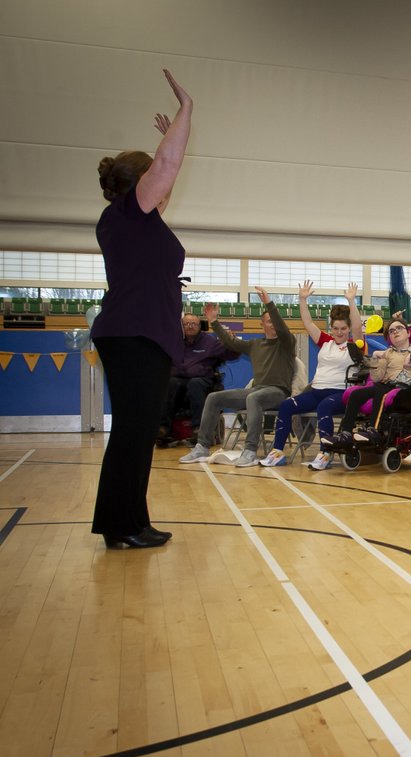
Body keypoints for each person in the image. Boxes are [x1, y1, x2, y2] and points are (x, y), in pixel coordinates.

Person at [89, 69, 192, 550]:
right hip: (136, 337)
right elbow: (167, 170)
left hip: (134, 335)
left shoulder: (129, 222)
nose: (164, 182)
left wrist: (168, 142)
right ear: (140, 185)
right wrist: (185, 113)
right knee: (133, 433)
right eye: (153, 176)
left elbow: (165, 172)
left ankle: (130, 521)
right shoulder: (130, 214)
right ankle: (122, 525)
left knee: (135, 431)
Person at [178, 288, 297, 466]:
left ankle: (250, 451)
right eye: (268, 322)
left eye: (275, 322)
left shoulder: (287, 343)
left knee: (253, 397)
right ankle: (202, 446)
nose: (272, 325)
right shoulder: (255, 344)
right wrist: (214, 322)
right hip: (256, 390)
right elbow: (230, 343)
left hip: (278, 392)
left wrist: (269, 304)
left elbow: (282, 328)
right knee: (213, 397)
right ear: (261, 325)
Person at [259, 281, 363, 469]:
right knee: (286, 405)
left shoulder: (355, 345)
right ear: (331, 328)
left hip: (340, 394)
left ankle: (325, 454)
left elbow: (357, 326)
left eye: (343, 329)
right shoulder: (325, 342)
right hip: (317, 391)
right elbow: (307, 323)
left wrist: (351, 301)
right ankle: (277, 452)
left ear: (348, 330)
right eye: (335, 328)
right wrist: (302, 299)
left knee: (324, 407)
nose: (339, 332)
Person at [325, 318, 411, 448]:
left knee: (380, 391)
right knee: (356, 394)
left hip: (408, 391)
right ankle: (345, 434)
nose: (395, 332)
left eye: (399, 328)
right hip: (388, 385)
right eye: (391, 331)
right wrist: (374, 363)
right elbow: (377, 378)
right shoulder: (388, 353)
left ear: (408, 333)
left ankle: (374, 430)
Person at [160, 312, 238, 442]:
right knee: (171, 383)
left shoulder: (210, 341)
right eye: (186, 324)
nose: (190, 326)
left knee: (195, 384)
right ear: (181, 326)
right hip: (178, 378)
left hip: (202, 379)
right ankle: (163, 428)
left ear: (200, 326)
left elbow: (230, 354)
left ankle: (198, 428)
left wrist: (233, 343)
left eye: (194, 324)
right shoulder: (173, 341)